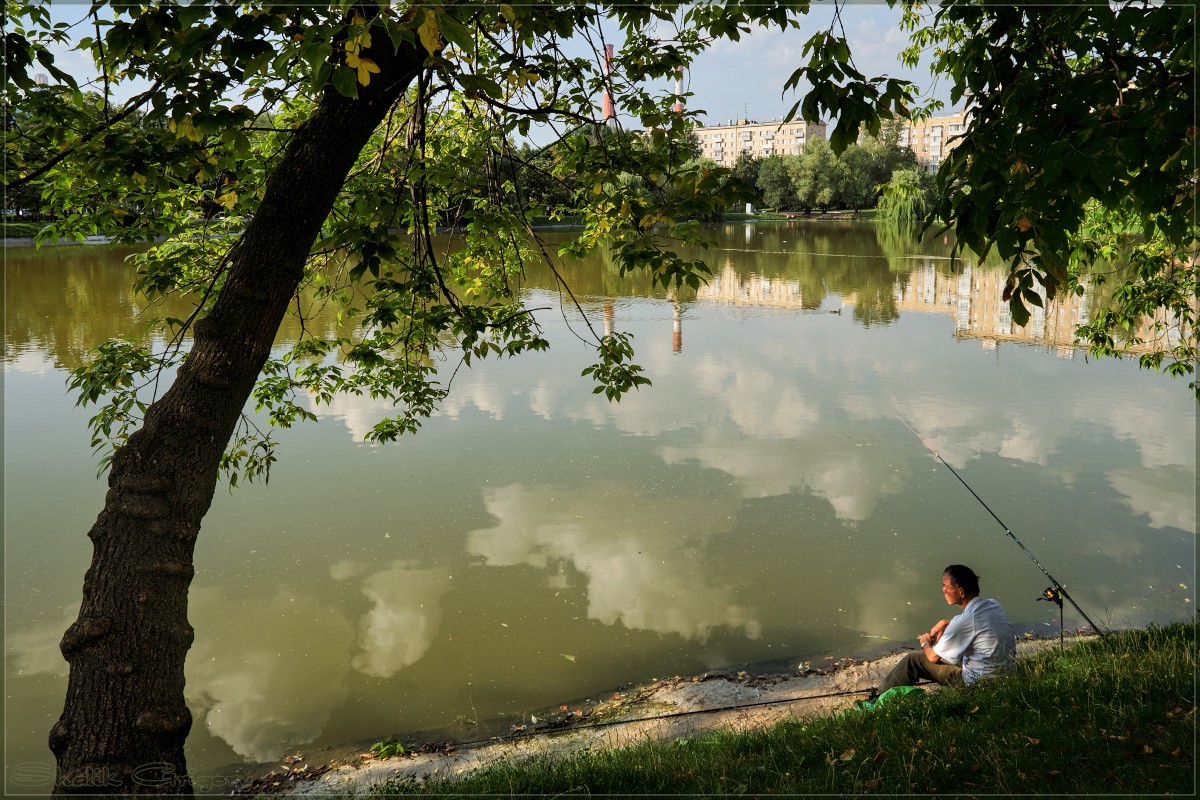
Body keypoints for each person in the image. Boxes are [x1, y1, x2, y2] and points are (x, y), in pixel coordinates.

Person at [877, 564, 1016, 694]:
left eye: (946, 587)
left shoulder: (963, 621)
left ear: (960, 592)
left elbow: (933, 657)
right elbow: (976, 625)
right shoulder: (993, 605)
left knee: (913, 660)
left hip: (979, 686)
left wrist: (925, 643)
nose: (943, 590)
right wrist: (947, 623)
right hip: (1006, 678)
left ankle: (881, 696)